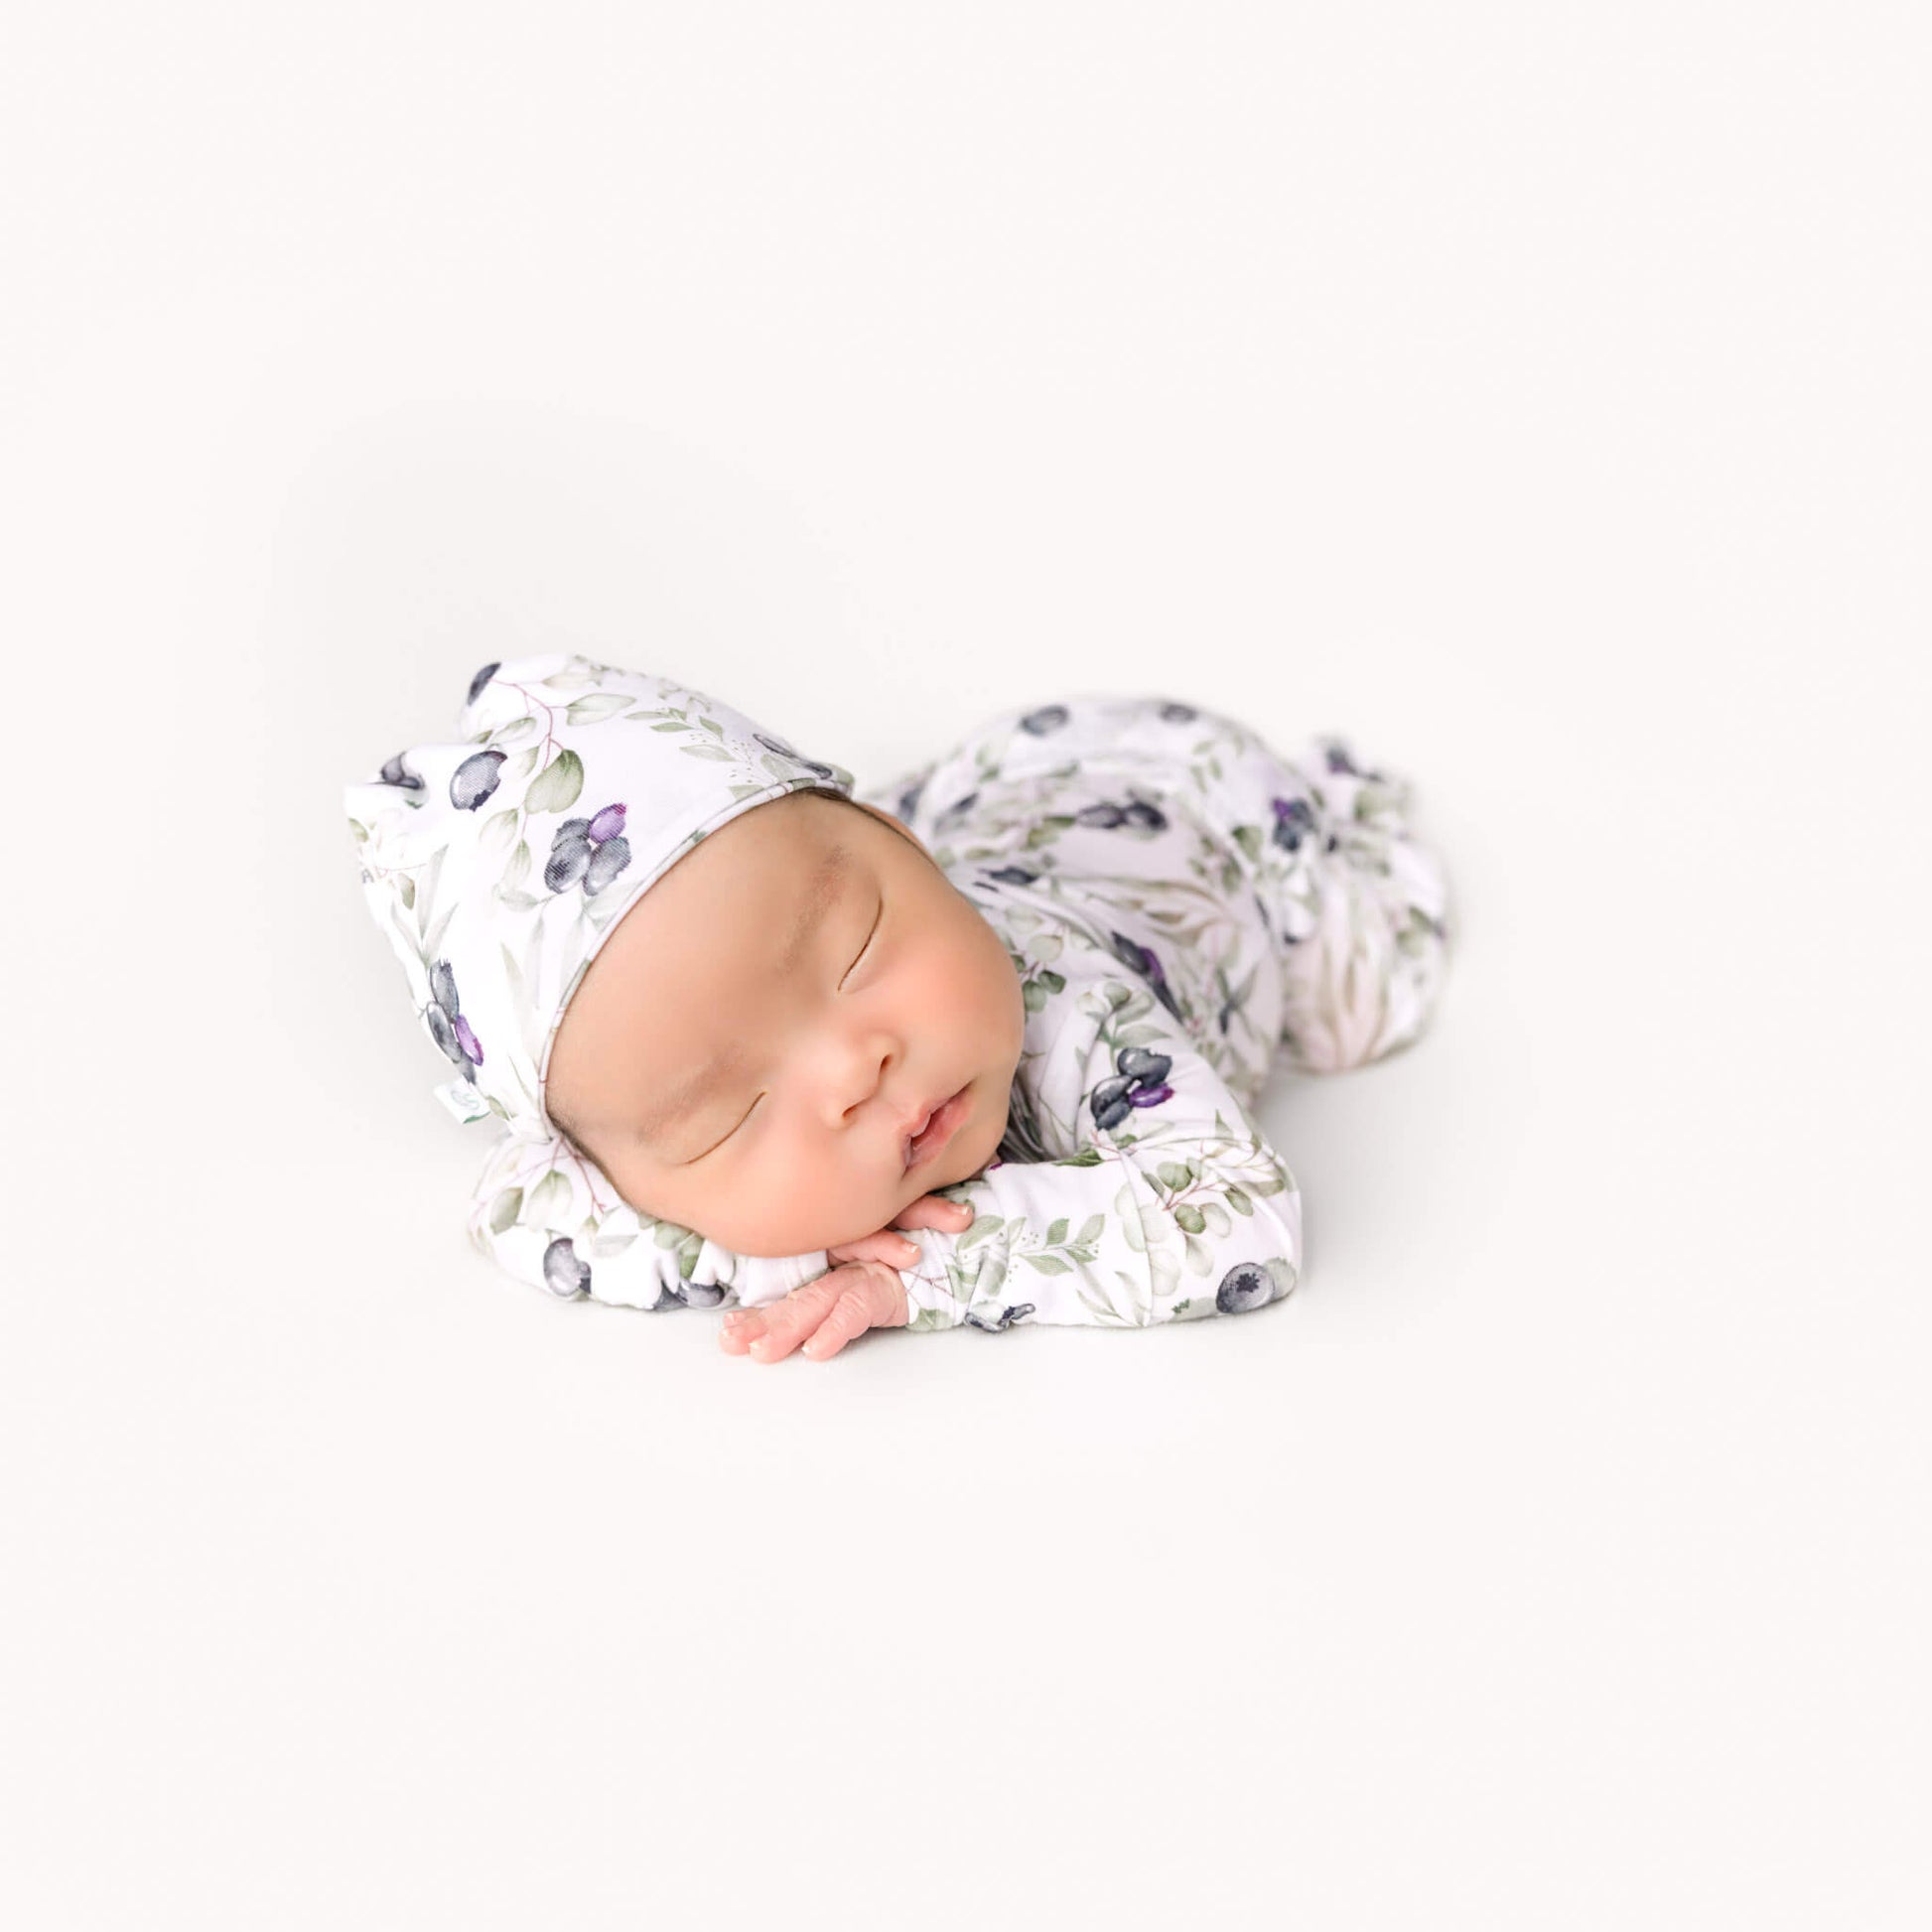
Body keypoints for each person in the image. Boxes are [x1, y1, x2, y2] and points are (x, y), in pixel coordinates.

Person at [344, 657, 1454, 1363]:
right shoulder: (604, 1152)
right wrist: (770, 1252)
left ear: (901, 852)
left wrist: (897, 1277)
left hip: (1189, 828)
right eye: (724, 1114)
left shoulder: (1065, 1002)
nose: (854, 1068)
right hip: (978, 813)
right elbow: (521, 1213)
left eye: (858, 945)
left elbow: (1237, 1217)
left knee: (1354, 1005)